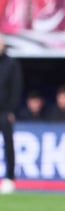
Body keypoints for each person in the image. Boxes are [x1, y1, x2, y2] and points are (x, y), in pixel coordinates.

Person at [0, 34, 22, 194]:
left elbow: (16, 88)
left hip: (4, 112)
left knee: (8, 145)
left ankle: (10, 178)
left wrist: (11, 110)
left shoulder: (11, 64)